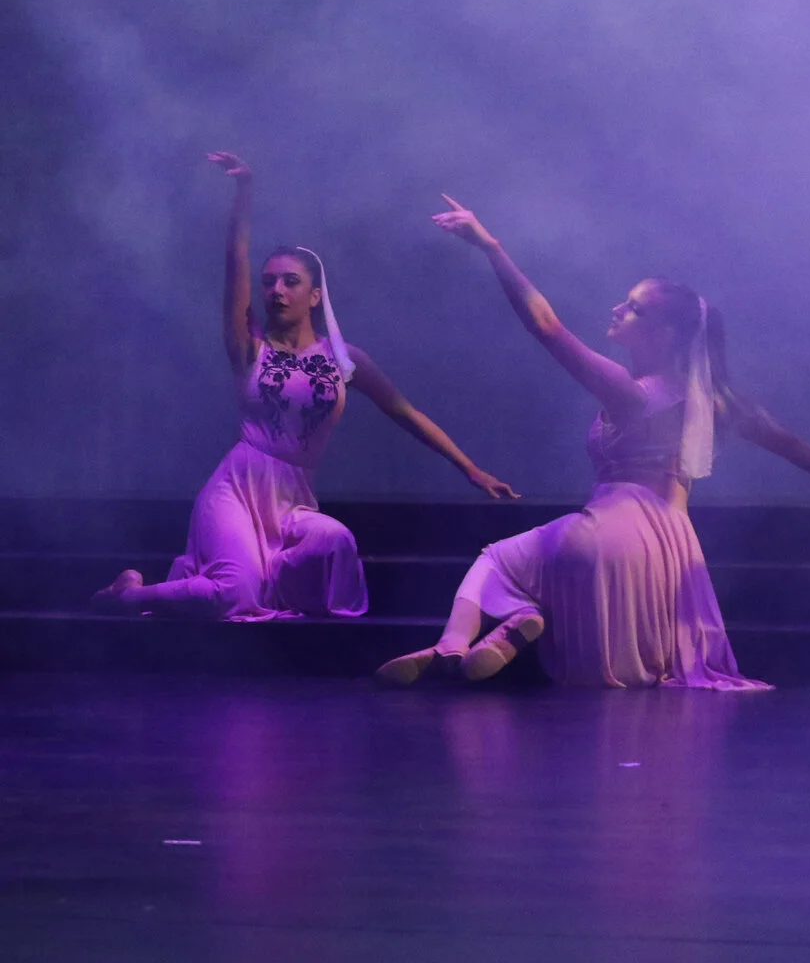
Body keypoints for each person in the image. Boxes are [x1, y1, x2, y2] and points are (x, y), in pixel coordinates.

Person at [376, 195, 810, 688]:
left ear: (665, 333)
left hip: (605, 532)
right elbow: (780, 438)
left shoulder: (631, 392)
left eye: (633, 309)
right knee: (591, 642)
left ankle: (452, 645)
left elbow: (546, 326)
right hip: (670, 554)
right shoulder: (714, 401)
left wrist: (492, 247)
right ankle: (515, 626)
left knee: (496, 562)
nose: (617, 310)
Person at [91, 153, 515, 621]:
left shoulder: (345, 360)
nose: (276, 290)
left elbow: (405, 412)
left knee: (336, 541)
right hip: (236, 490)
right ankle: (129, 595)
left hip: (293, 499)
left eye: (290, 281)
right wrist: (244, 193)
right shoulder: (249, 347)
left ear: (315, 296)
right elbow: (235, 261)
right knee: (235, 593)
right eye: (269, 282)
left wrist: (470, 468)